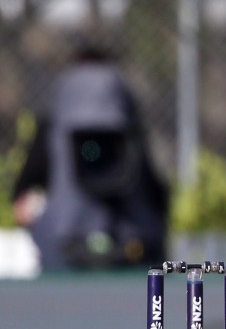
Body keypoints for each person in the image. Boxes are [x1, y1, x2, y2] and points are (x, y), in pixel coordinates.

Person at [11, 43, 169, 270]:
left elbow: (22, 198)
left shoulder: (53, 124)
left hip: (63, 251)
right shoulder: (128, 120)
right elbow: (156, 193)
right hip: (131, 251)